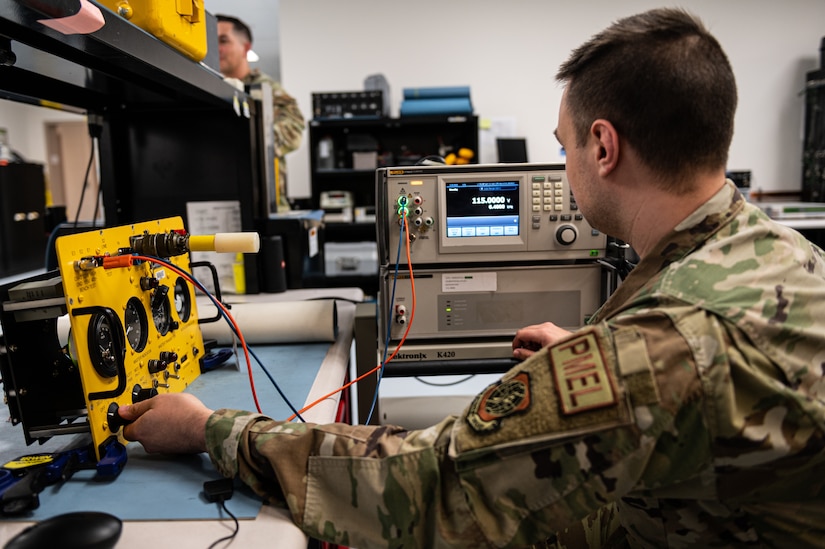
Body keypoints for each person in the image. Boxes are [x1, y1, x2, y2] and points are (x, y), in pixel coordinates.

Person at [120, 8, 825, 548]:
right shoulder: (782, 249)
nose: (567, 164)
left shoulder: (656, 351)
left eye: (564, 146)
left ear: (603, 146)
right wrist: (591, 353)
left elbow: (425, 487)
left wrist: (210, 428)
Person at [216, 14, 305, 211]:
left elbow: (295, 129)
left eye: (223, 41)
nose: (217, 48)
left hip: (265, 203)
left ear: (246, 47)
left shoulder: (265, 89)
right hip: (221, 197)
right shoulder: (210, 87)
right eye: (212, 42)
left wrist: (248, 139)